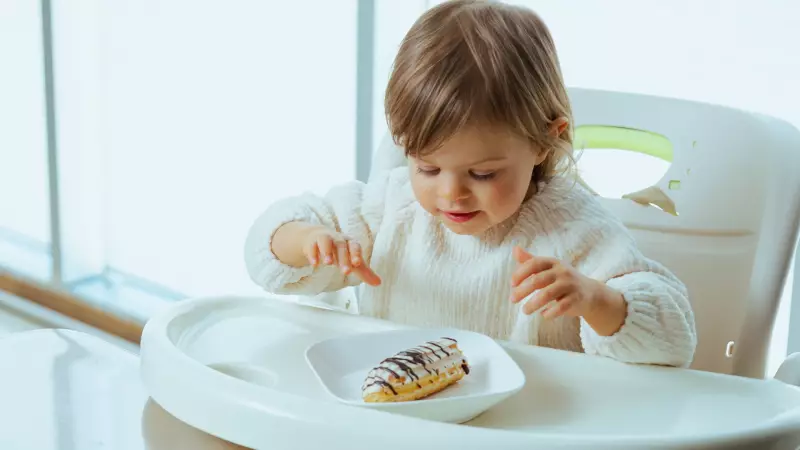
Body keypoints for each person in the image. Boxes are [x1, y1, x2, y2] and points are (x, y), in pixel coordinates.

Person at [244, 0, 696, 367]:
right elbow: (267, 250)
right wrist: (308, 241)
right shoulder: (392, 202)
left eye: (482, 174)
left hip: (531, 430)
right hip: (396, 422)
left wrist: (596, 300)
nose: (450, 193)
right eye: (427, 168)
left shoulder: (573, 227)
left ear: (544, 141)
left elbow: (674, 339)